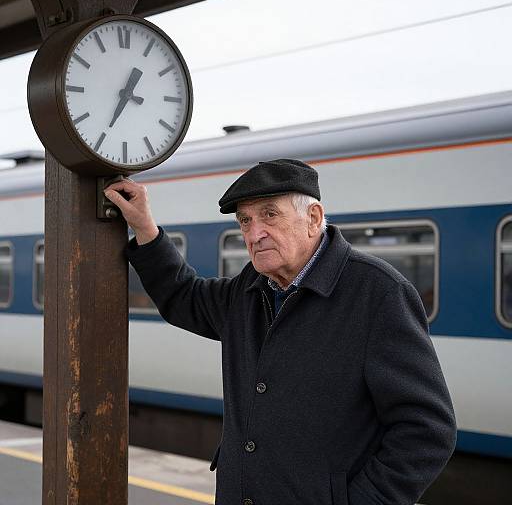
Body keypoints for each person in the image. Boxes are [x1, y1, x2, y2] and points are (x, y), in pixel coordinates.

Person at [104, 158, 456, 505]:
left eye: (270, 215)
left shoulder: (376, 293)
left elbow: (426, 429)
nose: (254, 234)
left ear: (313, 218)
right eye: (245, 221)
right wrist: (146, 230)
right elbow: (184, 296)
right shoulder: (250, 288)